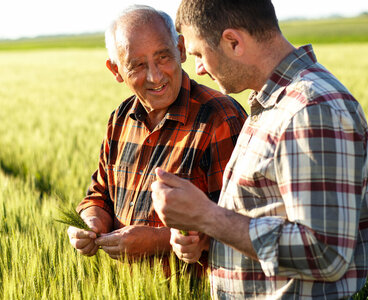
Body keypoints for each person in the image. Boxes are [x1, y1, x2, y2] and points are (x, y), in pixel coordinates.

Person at [151, 0, 368, 298]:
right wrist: (210, 235)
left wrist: (208, 217)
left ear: (233, 42)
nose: (198, 69)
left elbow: (325, 253)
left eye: (200, 54)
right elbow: (269, 212)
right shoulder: (272, 103)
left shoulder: (310, 109)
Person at [67, 4, 247, 272]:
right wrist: (91, 223)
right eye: (137, 65)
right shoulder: (120, 118)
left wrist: (157, 241)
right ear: (115, 70)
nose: (155, 76)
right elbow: (100, 194)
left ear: (181, 49)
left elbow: (242, 225)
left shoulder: (220, 118)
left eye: (163, 57)